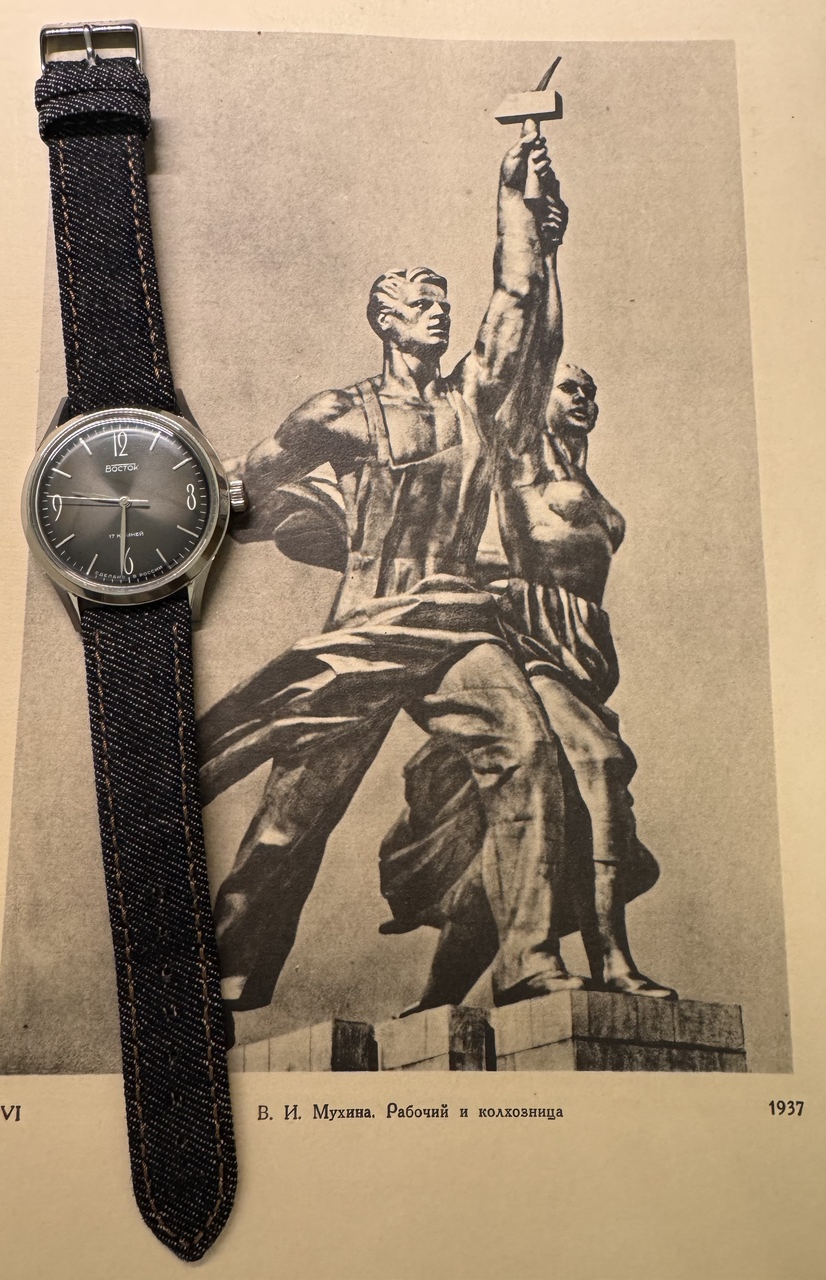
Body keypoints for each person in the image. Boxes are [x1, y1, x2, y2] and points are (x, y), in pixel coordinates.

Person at [200, 127, 584, 1018]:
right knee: (294, 815)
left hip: (453, 618)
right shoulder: (336, 414)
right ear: (385, 320)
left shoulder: (474, 397)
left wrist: (516, 197)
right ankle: (230, 969)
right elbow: (239, 486)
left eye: (442, 303)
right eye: (420, 304)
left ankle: (529, 958)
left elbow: (518, 294)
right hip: (368, 623)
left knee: (527, 750)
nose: (438, 315)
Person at [378, 361, 677, 1012]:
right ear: (537, 392)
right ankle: (613, 961)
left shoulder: (591, 491)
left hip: (581, 658)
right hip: (526, 642)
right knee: (599, 763)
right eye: (569, 386)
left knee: (535, 825)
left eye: (591, 391)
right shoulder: (516, 459)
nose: (584, 397)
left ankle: (438, 999)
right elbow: (518, 357)